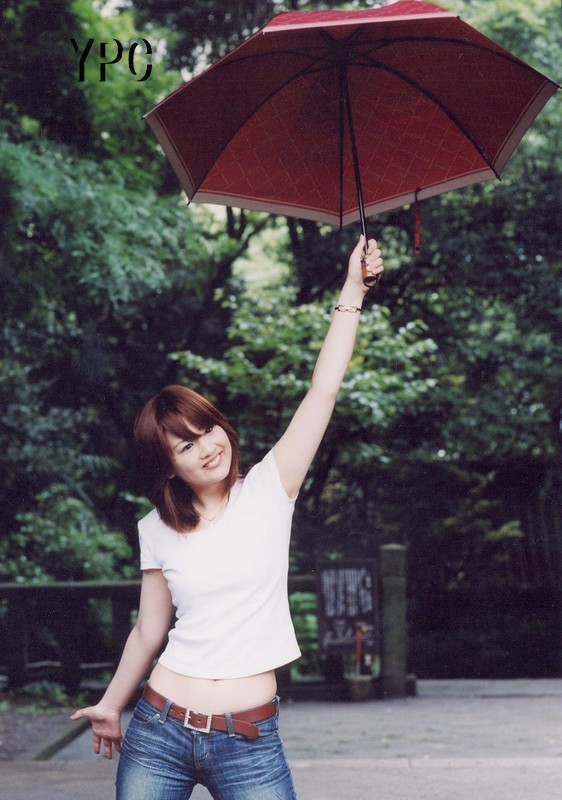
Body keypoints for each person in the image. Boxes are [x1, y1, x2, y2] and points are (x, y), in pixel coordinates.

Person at [71, 236, 384, 799]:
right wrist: (111, 705)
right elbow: (149, 630)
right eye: (185, 445)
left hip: (249, 741)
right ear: (168, 467)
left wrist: (352, 290)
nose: (207, 447)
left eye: (207, 429)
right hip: (159, 729)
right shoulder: (156, 528)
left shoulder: (270, 489)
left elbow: (323, 391)